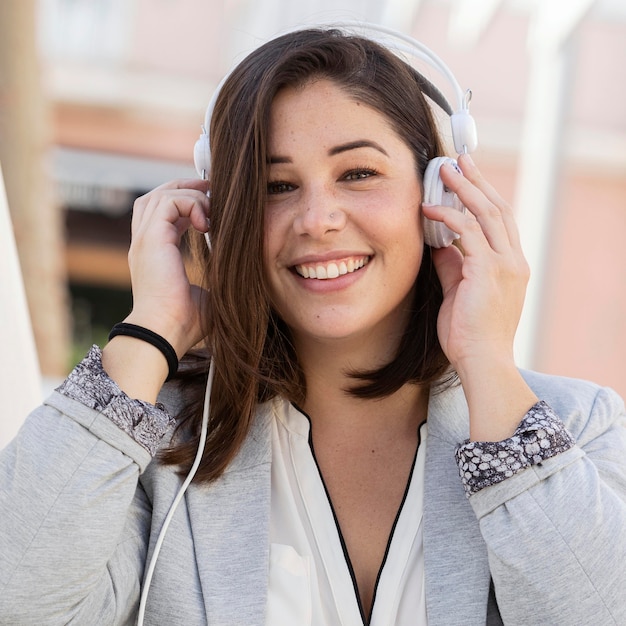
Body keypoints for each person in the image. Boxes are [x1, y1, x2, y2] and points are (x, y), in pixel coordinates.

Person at [1, 25, 625, 626]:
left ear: (442, 197)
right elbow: (19, 601)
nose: (317, 219)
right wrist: (153, 327)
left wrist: (485, 358)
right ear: (229, 217)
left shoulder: (578, 427)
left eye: (357, 174)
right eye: (275, 186)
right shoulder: (159, 441)